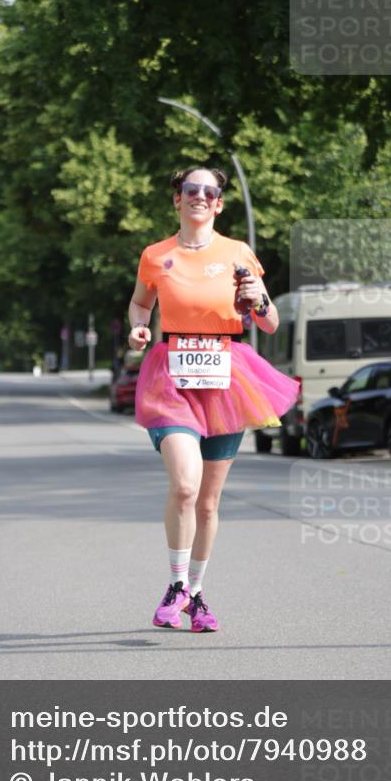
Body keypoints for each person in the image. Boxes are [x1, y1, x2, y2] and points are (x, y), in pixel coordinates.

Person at [128, 165, 300, 633]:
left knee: (207, 502)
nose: (200, 197)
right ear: (177, 200)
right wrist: (139, 325)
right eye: (191, 190)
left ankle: (196, 594)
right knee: (184, 485)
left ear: (219, 203)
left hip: (226, 377)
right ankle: (176, 585)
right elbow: (142, 302)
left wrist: (257, 300)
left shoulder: (238, 253)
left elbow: (270, 323)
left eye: (210, 191)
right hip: (172, 379)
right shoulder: (156, 255)